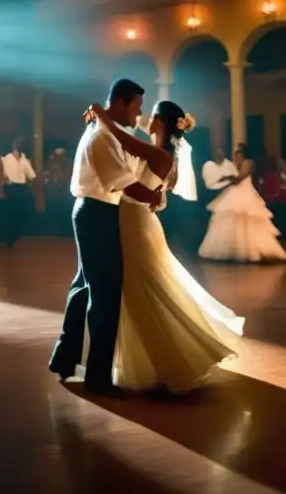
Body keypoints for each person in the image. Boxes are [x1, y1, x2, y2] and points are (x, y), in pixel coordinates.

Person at [83, 100, 243, 393]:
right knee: (142, 288)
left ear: (161, 122)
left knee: (143, 288)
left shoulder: (160, 153)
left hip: (136, 224)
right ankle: (151, 359)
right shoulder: (163, 152)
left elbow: (121, 139)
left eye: (152, 115)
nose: (145, 118)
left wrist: (101, 113)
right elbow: (157, 190)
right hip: (137, 221)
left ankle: (168, 359)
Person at [48, 78, 164, 397]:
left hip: (94, 211)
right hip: (97, 213)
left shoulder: (108, 132)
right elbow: (122, 181)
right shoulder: (101, 136)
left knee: (84, 284)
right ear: (121, 102)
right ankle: (98, 377)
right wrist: (152, 196)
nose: (139, 115)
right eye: (137, 107)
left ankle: (65, 358)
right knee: (105, 293)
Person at [198, 143, 286, 263]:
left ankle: (253, 249)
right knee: (231, 218)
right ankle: (233, 249)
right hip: (237, 191)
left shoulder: (248, 163)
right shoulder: (236, 164)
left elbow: (240, 178)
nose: (236, 157)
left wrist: (227, 178)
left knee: (247, 219)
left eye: (238, 154)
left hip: (245, 191)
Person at [1, 137, 37, 248]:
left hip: (21, 188)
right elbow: (3, 174)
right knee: (10, 214)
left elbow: (32, 174)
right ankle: (8, 239)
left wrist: (30, 181)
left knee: (19, 214)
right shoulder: (7, 158)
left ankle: (15, 237)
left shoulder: (24, 160)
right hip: (11, 187)